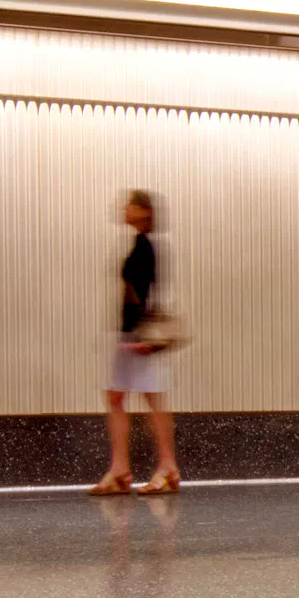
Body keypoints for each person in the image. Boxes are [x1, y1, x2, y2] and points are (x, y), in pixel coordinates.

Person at [94, 188, 181, 496]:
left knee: (151, 400)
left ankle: (167, 468)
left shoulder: (147, 247)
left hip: (138, 338)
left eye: (130, 206)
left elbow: (151, 293)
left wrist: (146, 338)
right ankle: (121, 470)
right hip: (130, 336)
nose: (124, 209)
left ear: (143, 211)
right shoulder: (139, 245)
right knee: (120, 397)